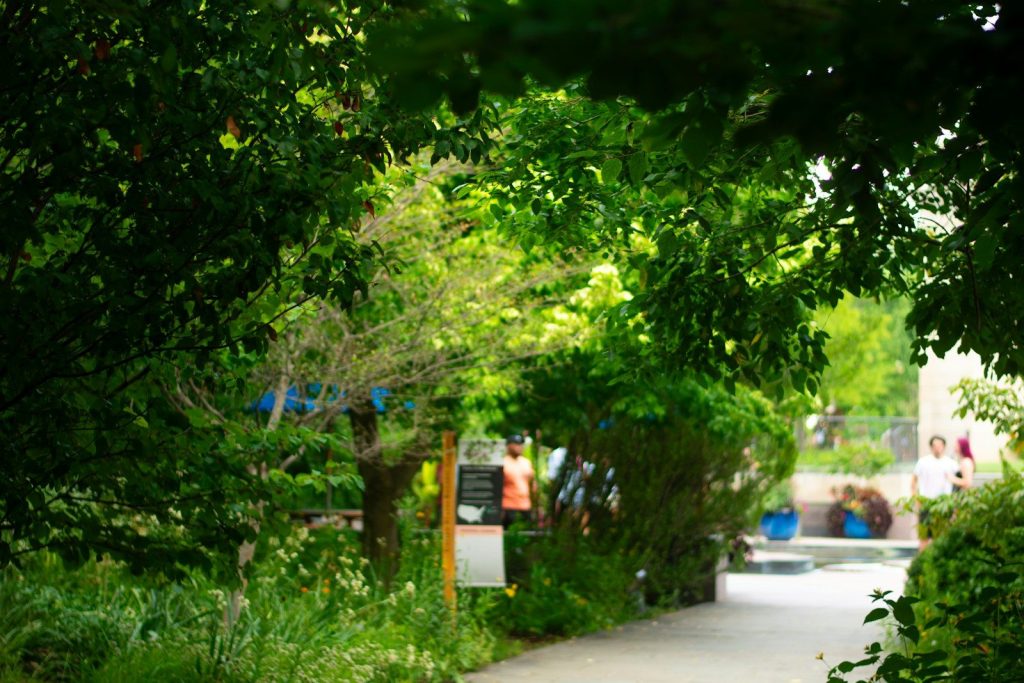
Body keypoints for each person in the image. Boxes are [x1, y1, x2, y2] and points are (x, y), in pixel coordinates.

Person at [911, 435, 959, 550]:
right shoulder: (923, 462)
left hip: (944, 504)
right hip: (926, 503)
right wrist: (916, 498)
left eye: (940, 445)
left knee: (942, 535)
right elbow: (913, 481)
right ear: (931, 447)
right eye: (934, 445)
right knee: (924, 536)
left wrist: (955, 503)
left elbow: (959, 484)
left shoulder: (951, 463)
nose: (937, 448)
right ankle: (921, 564)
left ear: (944, 447)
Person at [502, 434, 535, 528]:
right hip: (508, 506)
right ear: (508, 446)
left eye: (521, 444)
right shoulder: (503, 463)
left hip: (525, 506)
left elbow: (532, 484)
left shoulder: (526, 462)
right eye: (516, 444)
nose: (519, 447)